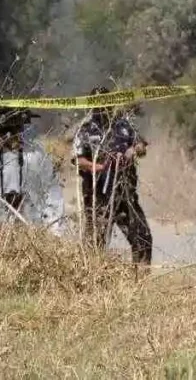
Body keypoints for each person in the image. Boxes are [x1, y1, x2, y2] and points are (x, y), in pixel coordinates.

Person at [72, 86, 152, 265]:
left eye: (106, 102)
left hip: (125, 195)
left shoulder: (123, 125)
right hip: (97, 196)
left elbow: (142, 146)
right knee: (95, 244)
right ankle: (93, 283)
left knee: (143, 238)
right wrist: (101, 167)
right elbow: (79, 160)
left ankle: (141, 285)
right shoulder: (85, 130)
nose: (103, 108)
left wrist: (133, 150)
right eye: (98, 104)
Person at [0, 107, 66, 237]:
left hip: (31, 234)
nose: (22, 132)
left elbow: (52, 192)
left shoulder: (36, 154)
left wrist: (54, 231)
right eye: (20, 127)